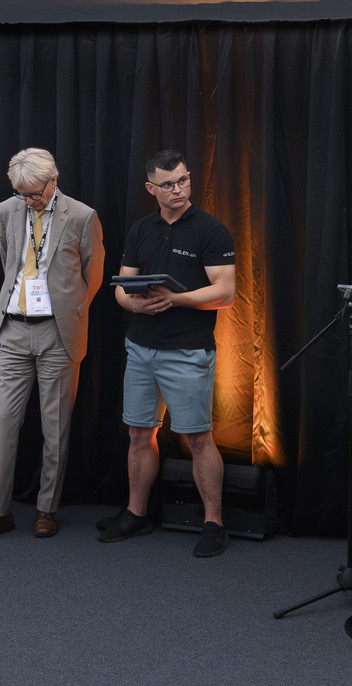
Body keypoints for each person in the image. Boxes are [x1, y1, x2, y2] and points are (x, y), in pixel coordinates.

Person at [99, 149, 236, 558]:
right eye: (168, 184)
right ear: (150, 188)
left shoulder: (211, 229)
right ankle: (136, 513)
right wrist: (135, 305)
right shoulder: (142, 229)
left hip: (187, 349)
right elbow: (121, 287)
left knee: (197, 438)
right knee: (139, 433)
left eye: (183, 180)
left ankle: (214, 524)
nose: (178, 189)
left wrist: (176, 299)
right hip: (141, 347)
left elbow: (225, 292)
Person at [0, 148, 104, 543]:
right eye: (21, 194)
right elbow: (8, 260)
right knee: (2, 424)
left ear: (53, 181)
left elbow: (93, 275)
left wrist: (70, 311)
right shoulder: (6, 211)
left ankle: (47, 509)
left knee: (55, 428)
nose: (28, 201)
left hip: (58, 334)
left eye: (35, 194)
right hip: (12, 330)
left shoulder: (82, 216)